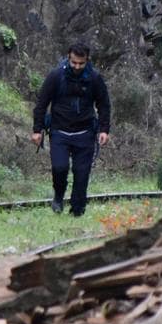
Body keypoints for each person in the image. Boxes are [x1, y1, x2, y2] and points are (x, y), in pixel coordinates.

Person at [31, 42, 111, 217]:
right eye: (74, 62)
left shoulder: (95, 78)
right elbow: (41, 103)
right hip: (59, 131)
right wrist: (37, 129)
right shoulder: (56, 76)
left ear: (87, 60)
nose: (77, 66)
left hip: (85, 133)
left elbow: (104, 104)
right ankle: (58, 196)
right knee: (60, 168)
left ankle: (77, 210)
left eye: (81, 63)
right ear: (69, 58)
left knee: (81, 174)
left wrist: (104, 129)